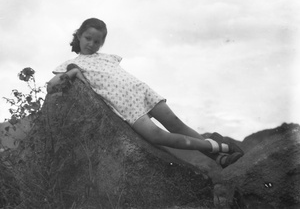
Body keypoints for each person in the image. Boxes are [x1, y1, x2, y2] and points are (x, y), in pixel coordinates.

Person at [47, 18, 244, 168]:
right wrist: (72, 72)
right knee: (157, 136)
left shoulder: (107, 57)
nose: (91, 44)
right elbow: (51, 86)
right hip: (124, 104)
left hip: (140, 89)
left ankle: (220, 158)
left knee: (176, 124)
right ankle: (220, 147)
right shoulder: (71, 64)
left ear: (102, 44)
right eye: (88, 38)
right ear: (79, 36)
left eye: (97, 41)